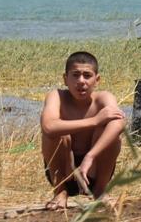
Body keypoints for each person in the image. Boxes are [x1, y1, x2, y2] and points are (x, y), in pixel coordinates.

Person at [40, 51, 125, 210]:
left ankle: (100, 191)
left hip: (95, 168)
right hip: (63, 169)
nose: (81, 81)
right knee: (57, 133)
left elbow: (120, 123)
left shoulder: (104, 98)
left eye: (87, 75)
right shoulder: (56, 96)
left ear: (96, 80)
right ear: (65, 79)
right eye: (75, 75)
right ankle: (60, 192)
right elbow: (48, 126)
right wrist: (95, 120)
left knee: (111, 134)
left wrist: (90, 156)